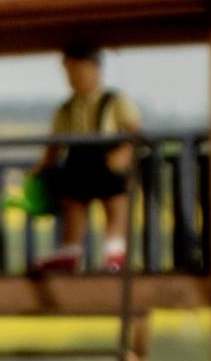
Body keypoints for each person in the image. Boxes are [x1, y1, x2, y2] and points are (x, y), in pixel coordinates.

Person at [30, 44, 144, 273]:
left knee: (116, 205)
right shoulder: (65, 109)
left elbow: (134, 131)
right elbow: (54, 144)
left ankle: (114, 252)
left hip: (106, 161)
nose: (74, 77)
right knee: (73, 206)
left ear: (96, 69)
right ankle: (71, 251)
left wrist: (124, 153)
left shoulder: (114, 101)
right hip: (77, 162)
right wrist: (43, 166)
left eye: (79, 70)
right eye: (70, 72)